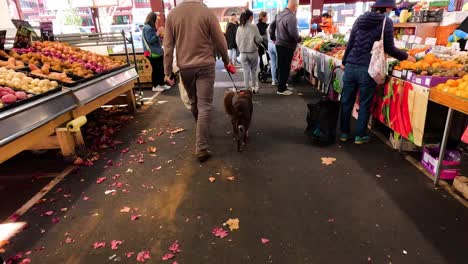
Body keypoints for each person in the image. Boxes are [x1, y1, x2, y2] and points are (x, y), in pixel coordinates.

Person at [163, 0, 233, 162]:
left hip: (185, 68)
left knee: (195, 103)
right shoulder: (207, 13)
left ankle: (202, 131)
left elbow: (168, 47)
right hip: (205, 66)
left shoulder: (173, 14)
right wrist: (226, 60)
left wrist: (167, 72)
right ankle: (201, 146)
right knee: (204, 106)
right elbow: (220, 40)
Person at [340, 0, 416, 145]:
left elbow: (350, 43)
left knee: (346, 101)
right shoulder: (385, 22)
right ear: (387, 8)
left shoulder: (360, 19)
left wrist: (344, 62)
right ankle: (359, 136)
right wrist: (406, 56)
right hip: (367, 68)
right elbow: (389, 48)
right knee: (364, 103)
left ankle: (343, 133)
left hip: (350, 65)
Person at [269, 0, 301, 96]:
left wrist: (273, 38)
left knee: (281, 66)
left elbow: (271, 27)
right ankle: (281, 89)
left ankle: (282, 85)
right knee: (285, 67)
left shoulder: (280, 14)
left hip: (279, 44)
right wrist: (299, 39)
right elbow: (293, 33)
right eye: (296, 7)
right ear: (294, 6)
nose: (296, 9)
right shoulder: (291, 17)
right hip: (287, 45)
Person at [143, 12, 171, 92]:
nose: (157, 21)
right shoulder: (147, 28)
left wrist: (159, 35)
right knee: (156, 69)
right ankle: (155, 86)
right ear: (152, 19)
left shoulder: (150, 27)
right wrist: (158, 33)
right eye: (156, 19)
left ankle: (162, 84)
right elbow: (150, 40)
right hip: (152, 53)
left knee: (161, 68)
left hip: (156, 52)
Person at [236, 9, 263, 93]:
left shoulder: (239, 27)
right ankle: (254, 87)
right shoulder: (253, 26)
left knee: (245, 71)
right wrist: (261, 38)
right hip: (253, 52)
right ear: (250, 17)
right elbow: (258, 40)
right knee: (253, 70)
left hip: (243, 53)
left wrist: (241, 48)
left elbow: (236, 40)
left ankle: (247, 88)